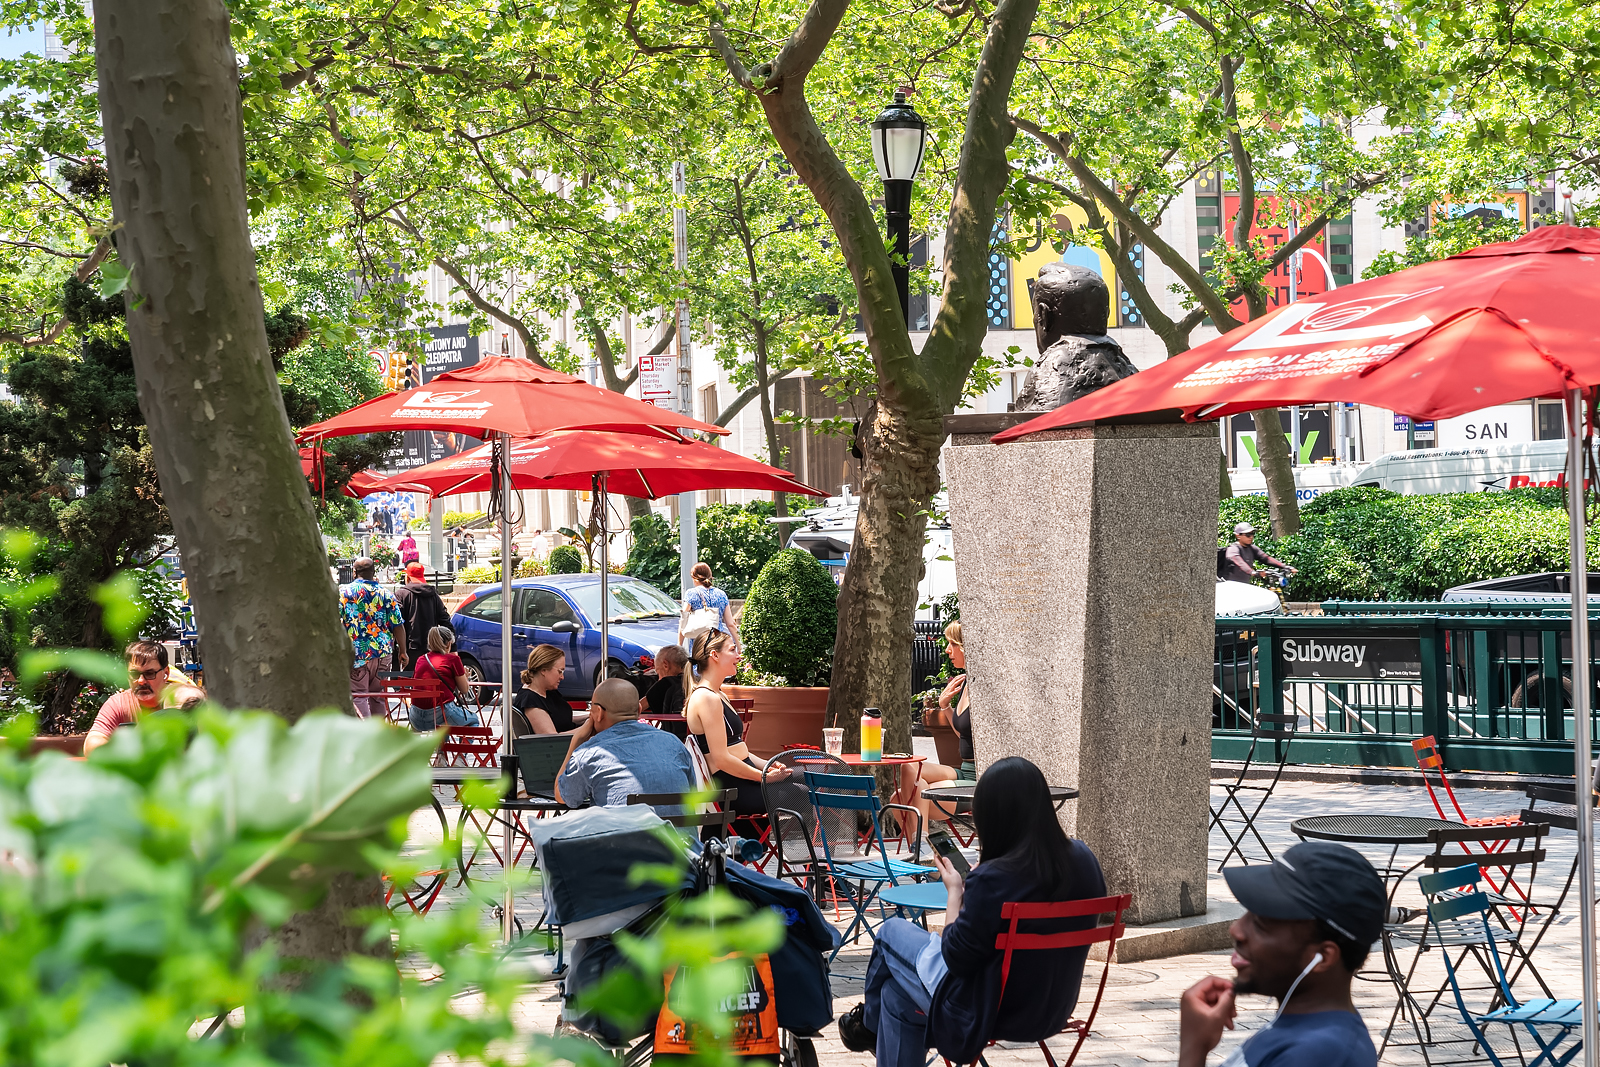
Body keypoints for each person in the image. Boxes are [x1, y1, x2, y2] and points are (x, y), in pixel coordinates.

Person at [838, 757, 1107, 1067]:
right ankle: (874, 1023)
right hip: (1050, 1008)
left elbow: (955, 957)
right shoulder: (1085, 861)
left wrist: (956, 891)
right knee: (895, 998)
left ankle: (868, 1026)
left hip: (984, 1011)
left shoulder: (993, 878)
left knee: (888, 933)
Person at [1179, 841, 1386, 1067]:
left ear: (1323, 957)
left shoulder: (1318, 1054)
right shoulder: (1303, 1030)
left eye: (1262, 923)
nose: (1236, 930)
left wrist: (1193, 1049)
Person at [553, 677, 695, 814]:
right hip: (681, 838)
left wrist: (576, 741)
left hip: (623, 838)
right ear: (639, 709)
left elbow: (563, 796)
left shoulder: (590, 753)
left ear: (598, 712)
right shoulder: (674, 744)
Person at [684, 628, 783, 819]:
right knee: (807, 792)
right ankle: (818, 849)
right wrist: (763, 777)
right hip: (733, 788)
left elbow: (737, 749)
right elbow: (721, 759)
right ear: (714, 655)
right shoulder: (707, 698)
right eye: (732, 650)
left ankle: (817, 848)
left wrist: (768, 766)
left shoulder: (717, 694)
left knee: (807, 780)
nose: (738, 656)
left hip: (742, 779)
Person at [84, 640, 207, 754]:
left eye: (150, 673)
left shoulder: (180, 697)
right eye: (134, 674)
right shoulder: (119, 703)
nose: (141, 681)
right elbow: (92, 745)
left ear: (166, 673)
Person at [340, 556, 407, 719]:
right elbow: (398, 625)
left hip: (357, 654)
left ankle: (367, 735)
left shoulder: (345, 593)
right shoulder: (386, 594)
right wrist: (403, 651)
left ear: (354, 572)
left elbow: (336, 622)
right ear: (373, 572)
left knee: (359, 696)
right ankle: (378, 737)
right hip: (383, 654)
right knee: (378, 697)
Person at [409, 626, 481, 731]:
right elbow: (464, 689)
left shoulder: (421, 659)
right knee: (473, 720)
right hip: (441, 713)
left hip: (416, 717)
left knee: (444, 725)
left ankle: (443, 748)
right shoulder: (453, 659)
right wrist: (465, 677)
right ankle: (462, 747)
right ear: (448, 644)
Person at [511, 644, 577, 735]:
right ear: (544, 670)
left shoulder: (549, 692)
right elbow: (551, 738)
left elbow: (562, 721)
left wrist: (590, 718)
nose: (562, 677)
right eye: (560, 671)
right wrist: (587, 729)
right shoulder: (531, 700)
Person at [394, 561, 452, 663]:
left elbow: (396, 622)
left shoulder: (401, 594)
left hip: (407, 650)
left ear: (407, 577)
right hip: (431, 650)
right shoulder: (433, 595)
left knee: (406, 678)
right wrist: (452, 646)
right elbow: (445, 620)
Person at [678, 562, 740, 649]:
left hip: (699, 642)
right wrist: (739, 646)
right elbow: (730, 624)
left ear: (694, 577)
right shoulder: (721, 594)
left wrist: (679, 644)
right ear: (710, 576)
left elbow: (683, 619)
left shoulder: (691, 593)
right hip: (718, 641)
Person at [1221, 523, 1297, 586]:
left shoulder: (1251, 548)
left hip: (1245, 586)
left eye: (1252, 534)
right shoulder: (1233, 549)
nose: (1251, 537)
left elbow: (1266, 558)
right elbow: (1237, 560)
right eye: (1248, 535)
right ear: (1238, 536)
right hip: (1230, 587)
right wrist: (1252, 572)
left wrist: (1286, 567)